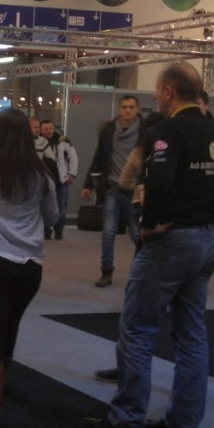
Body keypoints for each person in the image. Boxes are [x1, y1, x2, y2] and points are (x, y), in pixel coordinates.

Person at [81, 62, 214, 428]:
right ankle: (184, 422)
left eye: (157, 91)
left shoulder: (167, 131)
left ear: (168, 92)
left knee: (137, 328)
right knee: (192, 334)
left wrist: (149, 225)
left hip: (174, 241)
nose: (155, 98)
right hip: (209, 239)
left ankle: (127, 418)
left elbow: (158, 183)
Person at [0, 108, 58, 423]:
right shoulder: (41, 176)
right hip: (29, 264)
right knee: (11, 325)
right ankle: (0, 385)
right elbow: (53, 217)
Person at [93, 110, 166, 385]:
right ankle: (186, 391)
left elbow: (125, 179)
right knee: (186, 325)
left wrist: (140, 192)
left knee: (136, 312)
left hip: (154, 234)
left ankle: (129, 374)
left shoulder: (145, 151)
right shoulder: (173, 150)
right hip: (181, 237)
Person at [81, 95, 143, 287]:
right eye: (124, 107)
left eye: (131, 107)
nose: (127, 110)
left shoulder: (145, 132)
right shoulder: (109, 131)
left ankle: (140, 270)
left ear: (137, 109)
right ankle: (106, 272)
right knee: (108, 232)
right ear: (119, 109)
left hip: (134, 191)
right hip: (111, 188)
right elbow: (99, 157)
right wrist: (88, 184)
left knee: (137, 234)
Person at [39, 119, 79, 240]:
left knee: (61, 206)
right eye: (45, 129)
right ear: (41, 130)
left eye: (50, 128)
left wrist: (72, 174)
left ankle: (58, 229)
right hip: (45, 179)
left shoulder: (63, 140)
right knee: (44, 206)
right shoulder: (38, 142)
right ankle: (46, 230)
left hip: (62, 179)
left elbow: (73, 157)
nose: (49, 131)